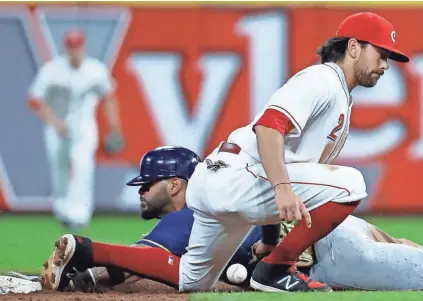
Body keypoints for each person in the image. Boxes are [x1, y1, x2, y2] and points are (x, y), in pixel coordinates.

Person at [39, 12, 411, 293]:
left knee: (190, 279)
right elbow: (270, 127)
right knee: (351, 183)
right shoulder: (323, 79)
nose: (385, 65)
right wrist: (281, 192)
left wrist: (268, 235)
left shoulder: (339, 95)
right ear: (353, 47)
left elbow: (286, 166)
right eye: (382, 54)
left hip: (219, 181)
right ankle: (277, 270)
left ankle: (88, 249)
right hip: (240, 175)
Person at [41, 146, 423, 293]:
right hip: (331, 230)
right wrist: (87, 275)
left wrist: (88, 266)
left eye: (149, 184)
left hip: (332, 255)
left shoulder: (185, 216)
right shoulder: (224, 197)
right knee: (411, 254)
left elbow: (140, 264)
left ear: (176, 185)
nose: (141, 191)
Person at [28, 30, 124, 229]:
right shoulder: (52, 70)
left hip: (84, 126)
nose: (75, 51)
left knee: (83, 167)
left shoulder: (95, 70)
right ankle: (63, 210)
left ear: (83, 47)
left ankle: (80, 214)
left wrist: (115, 127)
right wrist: (55, 122)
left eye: (78, 46)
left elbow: (109, 97)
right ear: (66, 48)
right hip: (57, 127)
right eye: (72, 46)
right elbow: (35, 100)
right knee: (59, 170)